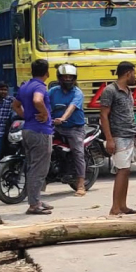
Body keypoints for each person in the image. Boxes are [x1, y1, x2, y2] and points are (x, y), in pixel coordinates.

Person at [12, 60, 54, 214]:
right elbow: (37, 100)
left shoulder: (25, 86)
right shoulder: (39, 86)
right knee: (39, 169)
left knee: (32, 167)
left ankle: (36, 200)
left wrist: (27, 116)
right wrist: (44, 114)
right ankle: (34, 205)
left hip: (28, 129)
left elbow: (15, 105)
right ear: (47, 72)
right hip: (40, 131)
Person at [99, 61, 136, 215]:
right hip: (119, 136)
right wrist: (109, 139)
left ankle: (123, 205)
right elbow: (104, 115)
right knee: (121, 171)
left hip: (129, 134)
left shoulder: (128, 90)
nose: (135, 76)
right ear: (128, 73)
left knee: (126, 171)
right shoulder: (110, 90)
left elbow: (129, 113)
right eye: (134, 73)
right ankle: (115, 207)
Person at [48, 64, 87, 196]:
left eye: (70, 77)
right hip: (55, 127)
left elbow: (72, 107)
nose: (68, 79)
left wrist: (63, 118)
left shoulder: (77, 93)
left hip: (74, 128)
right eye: (65, 77)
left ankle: (81, 184)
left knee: (78, 153)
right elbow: (44, 103)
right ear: (59, 78)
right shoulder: (53, 91)